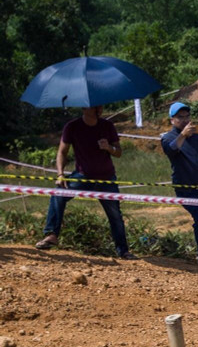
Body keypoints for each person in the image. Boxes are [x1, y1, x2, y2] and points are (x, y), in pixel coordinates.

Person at [35, 106, 134, 259]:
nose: (99, 109)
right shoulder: (72, 127)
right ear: (84, 108)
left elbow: (119, 152)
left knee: (115, 215)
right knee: (58, 193)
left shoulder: (108, 126)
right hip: (82, 176)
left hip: (107, 178)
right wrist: (60, 174)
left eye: (100, 106)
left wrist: (109, 148)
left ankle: (123, 251)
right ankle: (52, 234)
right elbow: (62, 152)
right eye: (95, 106)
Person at [160, 102, 198, 266]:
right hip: (184, 187)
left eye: (187, 117)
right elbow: (171, 150)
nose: (185, 120)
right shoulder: (168, 137)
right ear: (172, 120)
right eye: (180, 117)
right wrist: (183, 135)